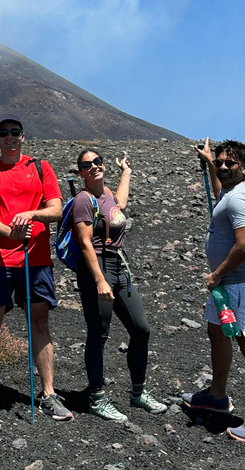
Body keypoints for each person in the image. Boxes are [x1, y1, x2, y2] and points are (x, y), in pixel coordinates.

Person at [0, 114, 72, 421]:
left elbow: (56, 209)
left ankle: (49, 394)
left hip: (35, 259)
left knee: (39, 322)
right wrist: (9, 232)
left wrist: (31, 215)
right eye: (4, 133)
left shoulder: (40, 168)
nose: (10, 137)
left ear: (23, 136)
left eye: (15, 132)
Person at [184, 139, 245, 443]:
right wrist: (209, 162)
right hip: (226, 284)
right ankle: (217, 395)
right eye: (221, 162)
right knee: (217, 332)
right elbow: (221, 193)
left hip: (239, 282)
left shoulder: (242, 199)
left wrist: (217, 274)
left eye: (229, 163)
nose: (224, 167)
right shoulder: (232, 192)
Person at [71, 149, 167, 422]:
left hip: (118, 266)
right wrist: (100, 280)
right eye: (86, 165)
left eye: (97, 162)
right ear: (81, 172)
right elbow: (85, 242)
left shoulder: (107, 194)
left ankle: (138, 393)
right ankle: (97, 399)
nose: (94, 167)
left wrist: (127, 170)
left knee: (141, 329)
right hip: (96, 269)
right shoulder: (83, 200)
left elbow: (120, 204)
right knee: (98, 333)